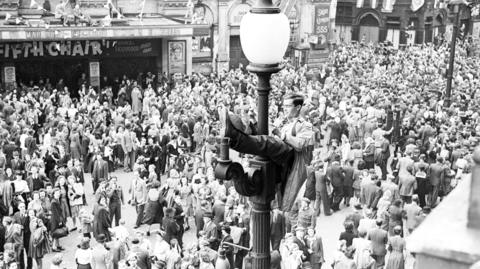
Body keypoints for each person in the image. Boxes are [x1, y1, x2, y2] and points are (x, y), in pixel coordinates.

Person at [218, 93, 314, 212]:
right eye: (283, 106)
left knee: (270, 143)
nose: (284, 109)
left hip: (291, 158)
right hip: (278, 158)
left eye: (288, 106)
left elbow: (300, 145)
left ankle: (235, 137)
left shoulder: (305, 125)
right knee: (264, 138)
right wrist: (254, 124)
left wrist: (280, 134)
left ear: (298, 108)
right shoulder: (283, 121)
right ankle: (238, 132)